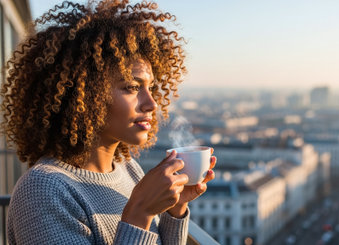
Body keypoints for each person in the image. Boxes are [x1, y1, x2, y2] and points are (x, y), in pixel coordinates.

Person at [1, 0, 216, 244]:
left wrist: (174, 210)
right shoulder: (43, 190)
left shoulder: (127, 168)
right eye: (132, 87)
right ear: (83, 94)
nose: (151, 104)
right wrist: (140, 213)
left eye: (151, 88)